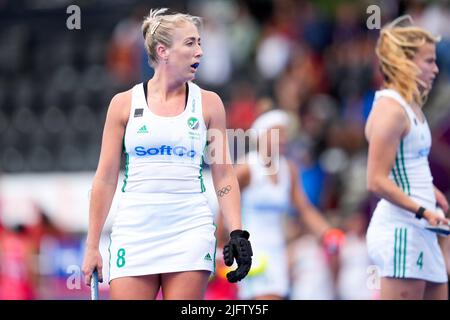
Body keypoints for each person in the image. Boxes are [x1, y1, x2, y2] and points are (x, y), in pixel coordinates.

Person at [82, 8, 252, 300]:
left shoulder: (209, 104)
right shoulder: (122, 104)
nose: (200, 50)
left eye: (199, 42)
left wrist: (238, 232)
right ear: (163, 51)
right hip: (135, 230)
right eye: (190, 43)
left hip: (189, 229)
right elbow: (105, 178)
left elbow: (223, 174)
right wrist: (92, 244)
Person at [365, 15, 450, 300]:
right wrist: (423, 210)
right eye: (428, 61)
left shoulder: (411, 105)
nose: (436, 69)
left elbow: (406, 165)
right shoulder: (391, 110)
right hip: (402, 229)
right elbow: (376, 181)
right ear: (405, 62)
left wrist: (432, 193)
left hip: (422, 226)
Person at [219, 109, 344, 300]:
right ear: (261, 135)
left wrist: (328, 234)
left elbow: (304, 209)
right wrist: (220, 246)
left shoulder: (289, 170)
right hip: (250, 251)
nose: (283, 138)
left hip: (278, 251)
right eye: (277, 132)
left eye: (285, 133)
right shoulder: (247, 168)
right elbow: (224, 206)